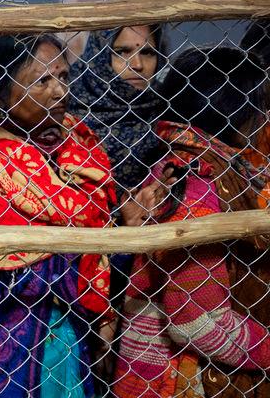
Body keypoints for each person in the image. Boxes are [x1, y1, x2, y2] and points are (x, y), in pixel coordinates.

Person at [0, 35, 121, 398]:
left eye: (63, 77)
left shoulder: (82, 149)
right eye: (41, 80)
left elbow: (102, 244)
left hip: (64, 336)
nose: (59, 91)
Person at [114, 46, 270, 398]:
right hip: (191, 378)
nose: (264, 116)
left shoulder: (204, 165)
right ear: (234, 109)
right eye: (259, 104)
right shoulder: (197, 181)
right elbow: (197, 322)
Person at [68, 0, 170, 193]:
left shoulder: (169, 109)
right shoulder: (68, 109)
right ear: (100, 54)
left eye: (148, 52)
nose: (137, 64)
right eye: (122, 51)